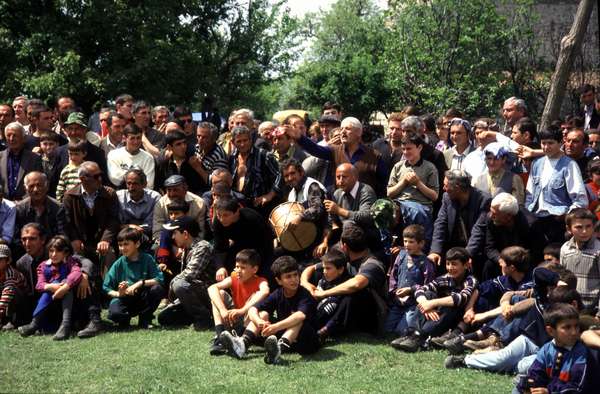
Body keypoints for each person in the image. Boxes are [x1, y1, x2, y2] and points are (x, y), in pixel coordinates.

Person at [220, 256, 320, 364]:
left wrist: (275, 327)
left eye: (295, 275)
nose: (294, 279)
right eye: (288, 277)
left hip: (308, 340)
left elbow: (300, 316)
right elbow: (253, 309)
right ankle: (242, 345)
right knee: (262, 314)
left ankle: (279, 350)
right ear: (279, 281)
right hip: (287, 336)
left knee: (297, 319)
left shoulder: (304, 294)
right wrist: (259, 322)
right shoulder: (278, 293)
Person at [391, 247, 478, 352]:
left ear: (465, 265)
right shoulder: (445, 278)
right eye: (448, 264)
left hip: (455, 318)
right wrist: (426, 305)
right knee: (428, 294)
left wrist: (431, 304)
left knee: (450, 306)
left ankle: (419, 337)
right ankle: (411, 333)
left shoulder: (470, 280)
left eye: (454, 264)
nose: (450, 268)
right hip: (437, 315)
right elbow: (420, 289)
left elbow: (461, 299)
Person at [526, 127, 588, 261]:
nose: (546, 147)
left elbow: (580, 199)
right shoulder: (537, 163)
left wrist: (565, 215)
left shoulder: (569, 165)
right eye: (543, 143)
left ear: (560, 143)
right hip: (537, 219)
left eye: (550, 143)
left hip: (557, 222)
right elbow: (530, 193)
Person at [18, 236, 82, 340]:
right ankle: (34, 324)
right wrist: (51, 286)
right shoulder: (43, 266)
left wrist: (65, 286)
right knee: (50, 287)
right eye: (51, 251)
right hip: (50, 305)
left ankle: (65, 325)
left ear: (65, 253)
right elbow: (39, 285)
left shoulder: (70, 262)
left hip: (70, 305)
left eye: (58, 251)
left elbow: (77, 272)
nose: (53, 255)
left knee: (67, 287)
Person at [157, 217, 216, 329]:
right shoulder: (186, 249)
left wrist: (172, 284)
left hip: (209, 295)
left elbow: (190, 274)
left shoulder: (203, 247)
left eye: (175, 233)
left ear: (185, 234)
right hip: (196, 295)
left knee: (179, 285)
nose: (173, 237)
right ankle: (195, 317)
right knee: (164, 318)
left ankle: (204, 319)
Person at [207, 249, 269, 355]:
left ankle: (242, 342)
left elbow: (265, 291)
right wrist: (223, 310)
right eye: (237, 266)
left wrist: (242, 310)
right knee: (220, 294)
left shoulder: (261, 281)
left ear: (254, 269)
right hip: (234, 319)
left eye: (243, 268)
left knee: (262, 313)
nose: (238, 270)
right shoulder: (234, 277)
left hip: (249, 322)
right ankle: (220, 338)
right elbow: (212, 288)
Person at [516, 303, 588, 393]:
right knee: (518, 389)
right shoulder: (546, 349)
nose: (574, 332)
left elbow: (577, 386)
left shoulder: (581, 352)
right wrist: (531, 384)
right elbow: (536, 372)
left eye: (576, 326)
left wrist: (549, 391)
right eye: (567, 327)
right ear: (550, 331)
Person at [103, 227, 165, 328]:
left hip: (142, 297)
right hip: (124, 299)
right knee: (115, 313)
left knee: (157, 289)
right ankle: (124, 320)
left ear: (137, 244)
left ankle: (145, 319)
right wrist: (119, 293)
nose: (122, 248)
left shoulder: (147, 259)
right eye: (120, 245)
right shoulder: (118, 263)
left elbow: (159, 279)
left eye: (126, 244)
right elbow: (106, 287)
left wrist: (140, 283)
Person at [61, 161, 120, 265]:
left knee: (109, 255)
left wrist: (105, 240)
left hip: (102, 241)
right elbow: (67, 222)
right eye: (96, 176)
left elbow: (113, 220)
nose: (100, 179)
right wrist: (74, 239)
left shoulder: (109, 194)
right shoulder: (70, 196)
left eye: (100, 175)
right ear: (83, 178)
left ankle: (108, 281)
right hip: (80, 243)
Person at [428, 170, 491, 266]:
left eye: (446, 185)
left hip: (475, 249)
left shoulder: (483, 200)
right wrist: (435, 251)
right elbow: (440, 224)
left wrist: (466, 255)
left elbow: (479, 230)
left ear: (457, 188)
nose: (444, 188)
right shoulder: (447, 198)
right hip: (453, 245)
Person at [467, 193, 533, 280]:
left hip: (522, 260)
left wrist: (514, 263)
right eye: (491, 211)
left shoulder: (529, 224)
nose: (491, 215)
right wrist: (502, 261)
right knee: (488, 266)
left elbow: (532, 250)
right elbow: (490, 248)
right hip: (501, 259)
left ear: (508, 216)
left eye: (495, 213)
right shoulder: (490, 220)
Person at [385, 225, 436, 337]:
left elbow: (428, 286)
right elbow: (394, 275)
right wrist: (393, 292)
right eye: (405, 241)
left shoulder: (426, 263)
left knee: (402, 331)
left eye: (411, 242)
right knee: (387, 330)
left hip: (413, 304)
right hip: (398, 302)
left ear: (421, 243)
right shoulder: (401, 255)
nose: (407, 245)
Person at [212, 196, 274, 281]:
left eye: (226, 215)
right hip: (238, 248)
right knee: (225, 273)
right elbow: (219, 247)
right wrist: (220, 267)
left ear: (236, 212)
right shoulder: (218, 222)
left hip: (260, 249)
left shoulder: (252, 218)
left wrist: (251, 265)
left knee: (264, 277)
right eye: (219, 215)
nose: (222, 219)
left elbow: (267, 243)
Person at [560, 208, 600, 317]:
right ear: (569, 229)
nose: (584, 231)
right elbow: (563, 277)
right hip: (570, 307)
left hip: (592, 309)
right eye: (579, 227)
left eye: (588, 226)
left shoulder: (598, 249)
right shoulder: (565, 248)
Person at [312, 247, 352, 341]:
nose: (324, 272)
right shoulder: (323, 280)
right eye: (323, 268)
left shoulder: (347, 283)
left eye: (328, 268)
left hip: (334, 322)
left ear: (341, 269)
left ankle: (325, 330)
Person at [14, 172, 61, 251]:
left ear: (47, 186)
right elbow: (16, 237)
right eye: (31, 186)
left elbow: (62, 235)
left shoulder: (58, 208)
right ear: (25, 189)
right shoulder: (19, 209)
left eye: (39, 185)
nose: (35, 189)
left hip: (53, 252)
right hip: (26, 252)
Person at [152, 175, 206, 242]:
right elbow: (157, 232)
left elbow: (200, 233)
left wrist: (188, 247)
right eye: (169, 190)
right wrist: (172, 247)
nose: (172, 194)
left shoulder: (199, 203)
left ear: (185, 189)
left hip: (191, 243)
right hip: (167, 242)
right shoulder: (160, 204)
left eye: (175, 190)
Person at [0, 122, 43, 200]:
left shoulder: (34, 158)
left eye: (15, 135)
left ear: (23, 138)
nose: (11, 139)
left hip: (25, 205)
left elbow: (39, 184)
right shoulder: (0, 157)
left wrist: (22, 203)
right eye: (8, 135)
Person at [116, 168, 161, 240]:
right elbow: (115, 223)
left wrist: (130, 226)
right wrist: (130, 226)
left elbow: (152, 225)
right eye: (129, 183)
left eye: (135, 184)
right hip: (123, 236)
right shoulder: (119, 197)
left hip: (147, 236)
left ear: (144, 184)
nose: (131, 187)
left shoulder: (154, 198)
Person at [107, 124, 156, 189]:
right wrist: (138, 179)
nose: (136, 142)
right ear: (124, 138)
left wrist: (125, 177)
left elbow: (149, 184)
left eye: (138, 138)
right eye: (132, 138)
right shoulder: (114, 155)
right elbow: (115, 179)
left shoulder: (148, 157)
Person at [0, 244, 26, 329]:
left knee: (11, 290)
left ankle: (11, 320)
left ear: (8, 261)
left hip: (22, 302)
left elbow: (7, 295)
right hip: (5, 300)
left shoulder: (11, 274)